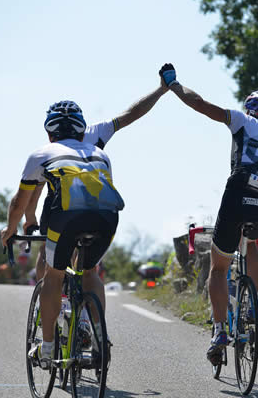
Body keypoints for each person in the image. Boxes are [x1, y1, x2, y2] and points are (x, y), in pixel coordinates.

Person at [159, 63, 258, 365]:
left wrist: (175, 86)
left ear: (249, 109)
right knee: (252, 243)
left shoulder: (241, 120)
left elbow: (200, 105)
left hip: (240, 189)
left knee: (218, 267)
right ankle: (252, 310)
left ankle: (218, 331)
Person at [1, 100, 126, 369]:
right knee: (90, 272)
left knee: (53, 276)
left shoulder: (41, 154)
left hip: (66, 216)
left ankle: (46, 350)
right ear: (82, 132)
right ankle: (99, 340)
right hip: (107, 218)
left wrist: (10, 230)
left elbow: (19, 202)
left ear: (49, 133)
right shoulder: (100, 153)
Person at [22, 81, 169, 283]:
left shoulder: (51, 147)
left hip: (61, 202)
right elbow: (131, 115)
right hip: (99, 203)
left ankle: (50, 295)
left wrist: (30, 219)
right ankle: (82, 301)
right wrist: (161, 90)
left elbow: (36, 187)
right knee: (87, 263)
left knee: (48, 253)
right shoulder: (95, 132)